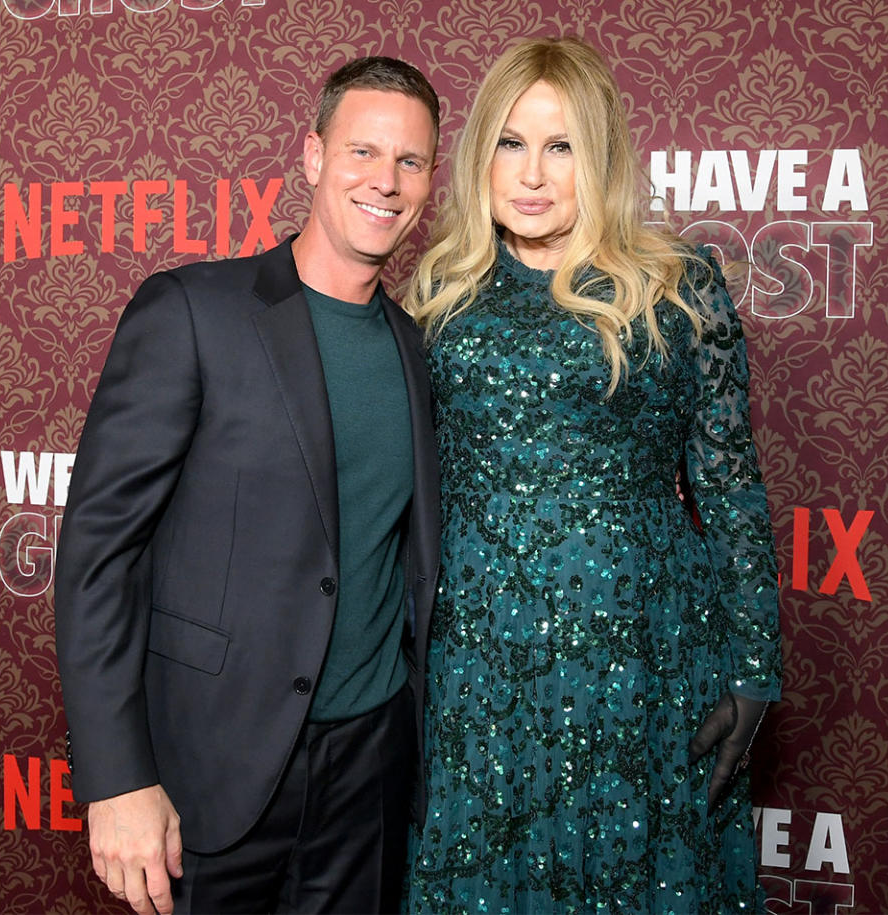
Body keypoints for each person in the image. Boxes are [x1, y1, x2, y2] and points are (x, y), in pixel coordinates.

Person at [54, 56, 441, 915]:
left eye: (410, 161)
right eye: (363, 151)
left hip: (369, 771)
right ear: (312, 156)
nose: (385, 181)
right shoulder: (192, 310)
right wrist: (117, 779)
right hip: (212, 770)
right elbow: (96, 553)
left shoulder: (418, 350)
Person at [404, 37, 781, 914]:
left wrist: (757, 667)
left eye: (562, 145)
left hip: (642, 663)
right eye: (510, 141)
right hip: (477, 672)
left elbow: (730, 488)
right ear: (478, 154)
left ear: (601, 156)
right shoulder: (438, 291)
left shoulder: (676, 282)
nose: (532, 173)